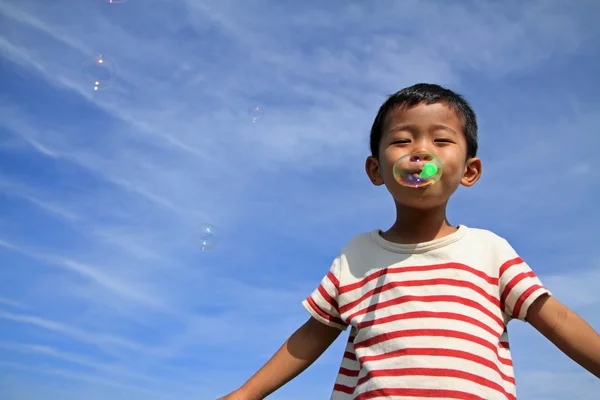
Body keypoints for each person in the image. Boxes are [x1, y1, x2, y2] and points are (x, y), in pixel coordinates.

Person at [218, 84, 600, 400]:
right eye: (402, 140)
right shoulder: (357, 255)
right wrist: (247, 393)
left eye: (440, 139)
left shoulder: (490, 250)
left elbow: (558, 319)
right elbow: (313, 333)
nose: (421, 151)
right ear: (375, 170)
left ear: (470, 171)